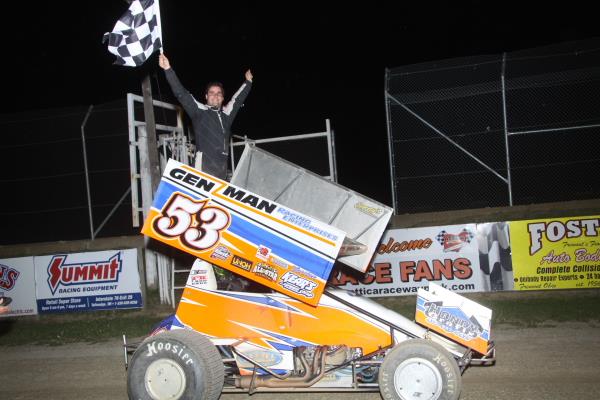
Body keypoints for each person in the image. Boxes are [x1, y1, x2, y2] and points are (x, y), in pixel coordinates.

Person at [158, 53, 253, 180]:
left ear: (222, 98)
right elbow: (182, 94)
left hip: (221, 174)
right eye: (212, 93)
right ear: (206, 96)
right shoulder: (199, 111)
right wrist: (168, 69)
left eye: (219, 93)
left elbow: (237, 100)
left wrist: (248, 82)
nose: (216, 95)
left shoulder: (227, 115)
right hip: (201, 173)